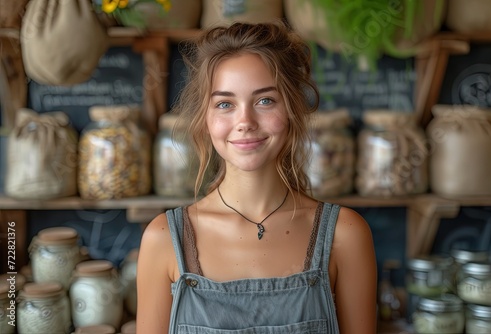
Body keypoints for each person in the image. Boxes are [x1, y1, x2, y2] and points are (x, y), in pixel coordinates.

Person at [137, 21, 377, 334]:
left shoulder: (346, 234)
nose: (245, 122)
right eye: (225, 104)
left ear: (291, 109)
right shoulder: (163, 240)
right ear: (205, 119)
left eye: (265, 100)